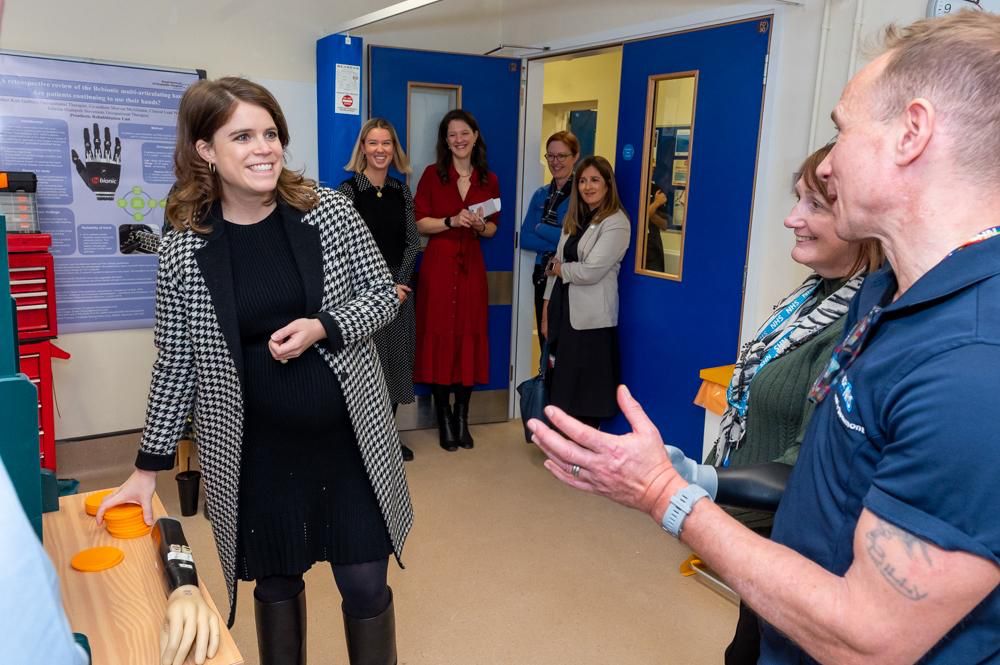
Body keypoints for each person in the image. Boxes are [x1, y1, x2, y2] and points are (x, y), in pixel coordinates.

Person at [529, 12, 1000, 664]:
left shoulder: (974, 366)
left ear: (911, 133)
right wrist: (703, 476)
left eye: (842, 130)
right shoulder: (883, 294)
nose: (828, 164)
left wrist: (667, 495)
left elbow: (868, 640)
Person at [96, 77, 413, 665]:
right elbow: (176, 360)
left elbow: (381, 293)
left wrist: (324, 326)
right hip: (255, 450)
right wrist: (147, 468)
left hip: (348, 442)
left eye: (271, 133)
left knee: (366, 585)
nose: (264, 147)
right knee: (276, 585)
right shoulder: (183, 248)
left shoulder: (329, 211)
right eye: (242, 135)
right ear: (205, 150)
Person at [709, 143, 883, 664]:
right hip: (768, 541)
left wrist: (689, 484)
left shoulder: (858, 327)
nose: (792, 219)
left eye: (814, 205)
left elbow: (805, 466)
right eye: (797, 200)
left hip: (804, 553)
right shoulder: (813, 298)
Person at [413, 109, 499, 451]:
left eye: (464, 133)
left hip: (471, 270)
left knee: (467, 336)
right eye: (452, 135)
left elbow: (493, 228)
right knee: (439, 336)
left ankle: (463, 416)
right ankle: (445, 418)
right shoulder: (433, 176)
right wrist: (450, 221)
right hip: (439, 266)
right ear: (445, 141)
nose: (459, 140)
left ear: (475, 136)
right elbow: (420, 223)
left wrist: (479, 226)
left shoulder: (487, 179)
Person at [339, 118, 420, 462]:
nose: (380, 150)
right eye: (373, 143)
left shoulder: (402, 191)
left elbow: (412, 242)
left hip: (399, 291)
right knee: (367, 368)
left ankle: (387, 441)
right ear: (363, 148)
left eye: (386, 143)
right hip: (362, 294)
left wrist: (397, 285)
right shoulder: (347, 191)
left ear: (394, 149)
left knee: (395, 364)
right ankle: (361, 444)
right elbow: (341, 247)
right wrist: (380, 287)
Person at [541, 156, 630, 428]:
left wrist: (561, 270)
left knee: (587, 392)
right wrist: (545, 309)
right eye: (582, 181)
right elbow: (554, 265)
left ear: (607, 184)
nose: (587, 187)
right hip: (563, 311)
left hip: (591, 321)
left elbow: (591, 271)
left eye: (594, 180)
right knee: (564, 384)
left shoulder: (616, 222)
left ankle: (586, 454)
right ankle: (567, 448)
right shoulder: (576, 219)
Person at [519, 130, 579, 348]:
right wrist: (558, 236)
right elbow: (525, 238)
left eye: (561, 156)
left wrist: (540, 227)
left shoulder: (581, 195)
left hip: (568, 274)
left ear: (575, 156)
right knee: (545, 337)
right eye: (550, 156)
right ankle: (545, 380)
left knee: (564, 341)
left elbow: (576, 241)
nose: (555, 162)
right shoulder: (541, 194)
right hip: (542, 273)